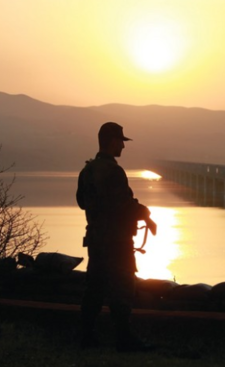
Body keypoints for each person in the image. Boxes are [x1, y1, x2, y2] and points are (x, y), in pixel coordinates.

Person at [76, 122, 156, 352]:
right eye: (121, 141)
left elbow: (82, 202)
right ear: (112, 141)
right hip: (117, 241)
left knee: (95, 288)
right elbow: (124, 205)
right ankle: (123, 338)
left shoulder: (87, 170)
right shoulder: (114, 171)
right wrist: (146, 214)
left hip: (96, 240)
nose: (123, 145)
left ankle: (87, 337)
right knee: (122, 288)